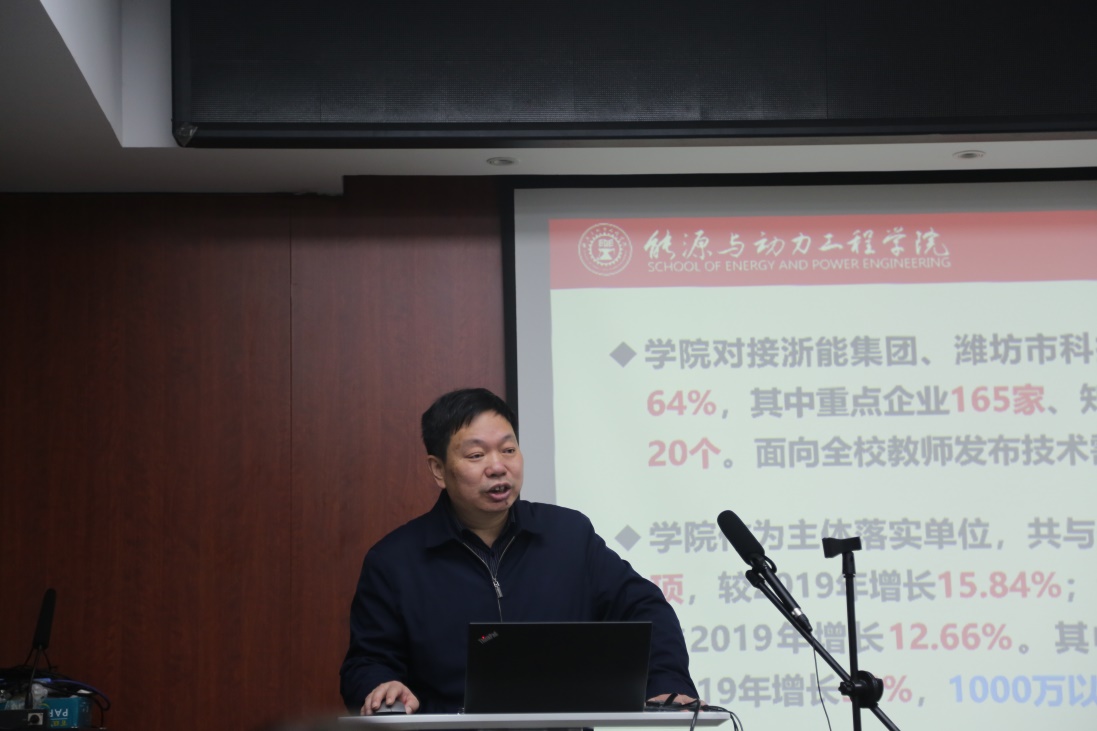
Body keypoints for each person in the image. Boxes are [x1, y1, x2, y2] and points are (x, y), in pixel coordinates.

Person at [339, 388, 697, 715]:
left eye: (508, 450)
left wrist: (666, 683)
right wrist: (381, 685)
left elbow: (644, 607)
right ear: (438, 470)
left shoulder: (569, 536)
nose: (498, 467)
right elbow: (366, 662)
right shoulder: (395, 561)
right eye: (476, 454)